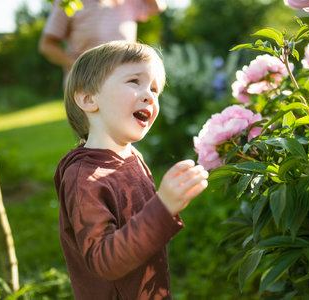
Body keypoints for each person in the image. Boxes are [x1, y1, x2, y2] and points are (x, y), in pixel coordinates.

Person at [54, 41, 209, 299]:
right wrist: (163, 207)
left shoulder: (133, 157)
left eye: (155, 88)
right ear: (88, 98)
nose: (149, 94)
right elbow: (104, 262)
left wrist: (168, 203)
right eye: (134, 81)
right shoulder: (84, 178)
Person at [39, 0, 166, 77]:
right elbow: (47, 45)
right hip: (87, 81)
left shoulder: (128, 2)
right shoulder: (68, 2)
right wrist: (81, 66)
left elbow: (159, 6)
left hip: (125, 78)